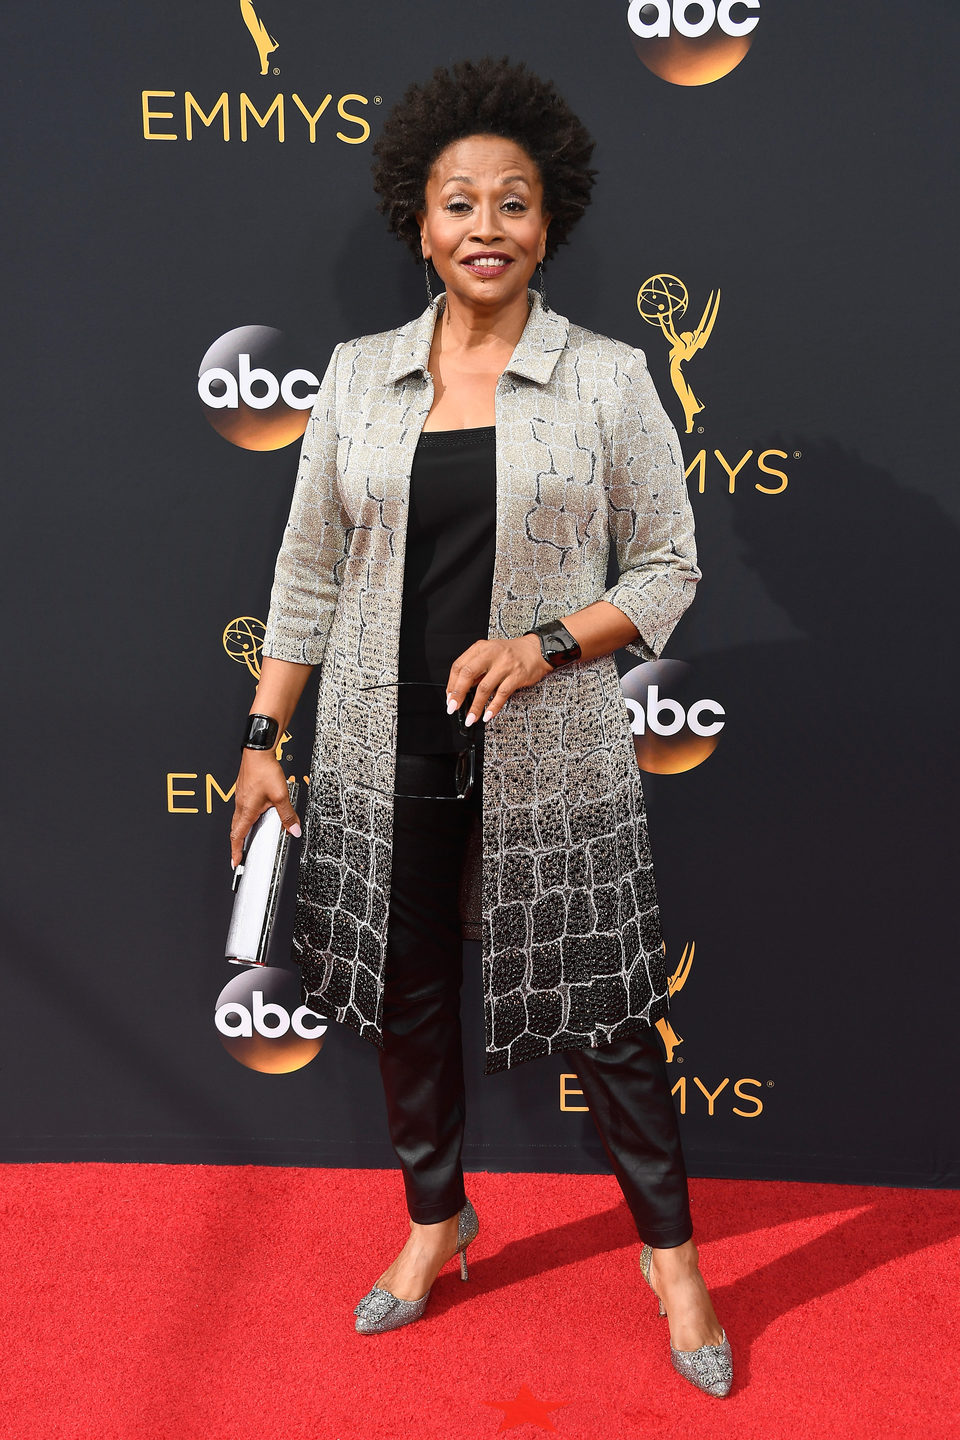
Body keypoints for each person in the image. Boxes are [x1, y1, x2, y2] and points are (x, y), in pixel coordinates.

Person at [229, 57, 732, 1398]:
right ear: (420, 219)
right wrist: (265, 737)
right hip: (383, 748)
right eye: (460, 202)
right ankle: (435, 1216)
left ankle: (673, 1259)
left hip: (551, 752)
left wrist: (549, 642)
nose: (487, 225)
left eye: (514, 201)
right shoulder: (354, 377)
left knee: (612, 1010)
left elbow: (671, 566)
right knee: (409, 1001)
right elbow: (307, 578)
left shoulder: (608, 379)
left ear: (550, 218)